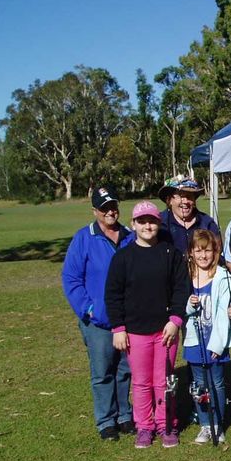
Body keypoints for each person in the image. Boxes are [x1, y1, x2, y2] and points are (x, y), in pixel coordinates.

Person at [105, 201, 190, 449]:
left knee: (164, 380)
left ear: (158, 223)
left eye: (151, 221)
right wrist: (118, 328)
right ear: (133, 225)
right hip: (135, 332)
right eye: (141, 222)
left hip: (165, 331)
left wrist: (175, 320)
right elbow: (113, 295)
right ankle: (144, 426)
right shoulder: (123, 257)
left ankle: (166, 424)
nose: (147, 226)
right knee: (141, 382)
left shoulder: (170, 253)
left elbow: (181, 289)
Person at [62, 186, 135, 441]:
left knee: (125, 369)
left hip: (126, 319)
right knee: (103, 371)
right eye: (104, 208)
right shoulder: (84, 238)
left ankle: (124, 416)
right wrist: (89, 309)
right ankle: (106, 420)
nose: (110, 212)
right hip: (99, 321)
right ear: (95, 211)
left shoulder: (129, 236)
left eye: (113, 206)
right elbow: (71, 279)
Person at [184, 229, 231, 446]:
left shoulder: (222, 276)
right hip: (194, 341)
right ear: (191, 252)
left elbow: (224, 313)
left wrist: (218, 344)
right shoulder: (186, 276)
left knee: (217, 384)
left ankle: (217, 424)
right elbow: (179, 308)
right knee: (199, 385)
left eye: (208, 251)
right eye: (198, 251)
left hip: (215, 341)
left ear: (215, 252)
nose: (203, 255)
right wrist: (189, 305)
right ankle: (205, 423)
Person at [158, 175, 220, 255]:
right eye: (181, 196)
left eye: (189, 196)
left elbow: (217, 252)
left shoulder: (207, 223)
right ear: (169, 200)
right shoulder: (159, 223)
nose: (185, 201)